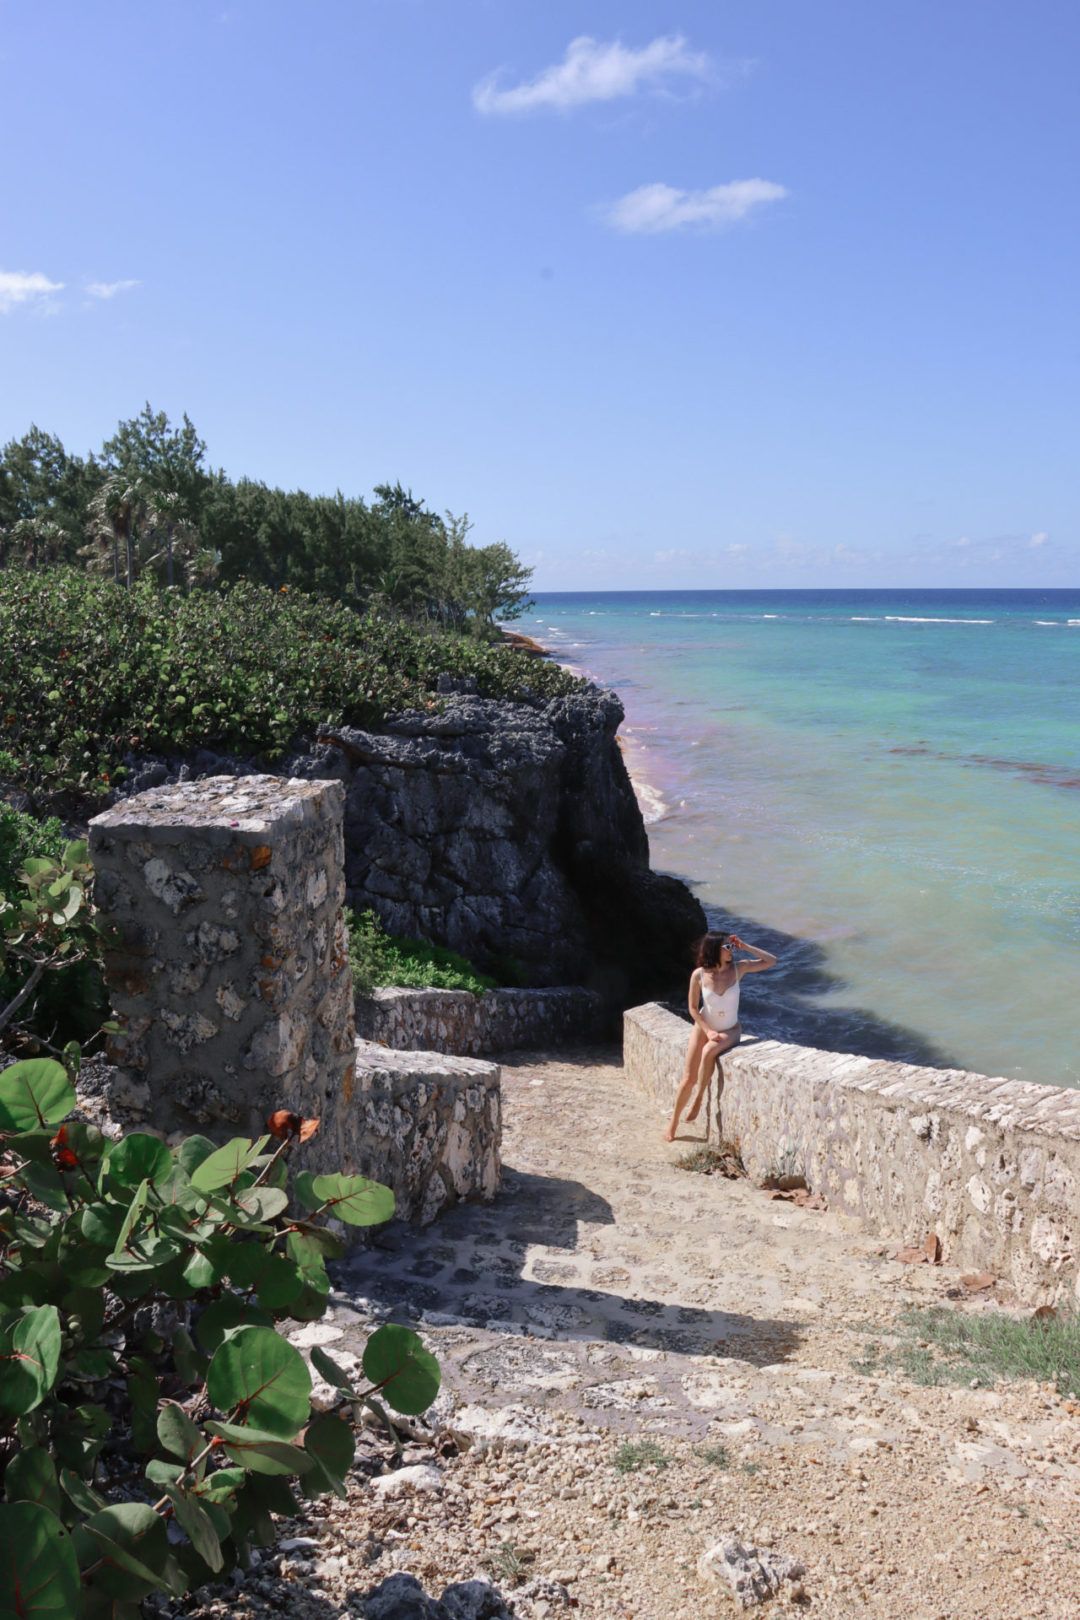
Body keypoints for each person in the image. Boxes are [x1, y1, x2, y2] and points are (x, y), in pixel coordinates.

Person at [663, 930, 777, 1142]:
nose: (731, 950)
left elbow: (771, 961)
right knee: (688, 1078)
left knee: (709, 1051)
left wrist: (746, 946)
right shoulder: (699, 975)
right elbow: (693, 1008)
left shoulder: (738, 968)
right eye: (727, 947)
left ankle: (698, 1099)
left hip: (730, 1030)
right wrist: (708, 1031)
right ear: (714, 950)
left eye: (732, 946)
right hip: (704, 1028)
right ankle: (673, 1124)